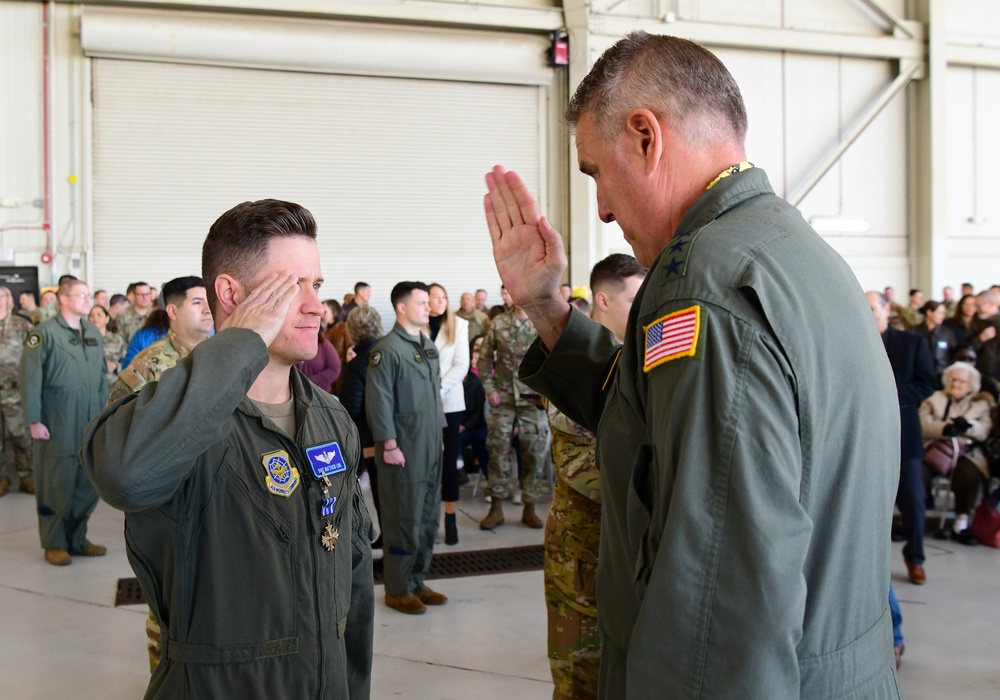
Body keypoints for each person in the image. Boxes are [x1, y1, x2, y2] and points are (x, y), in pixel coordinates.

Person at [484, 32, 901, 697]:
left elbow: (717, 607)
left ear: (647, 138)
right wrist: (547, 310)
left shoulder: (701, 283)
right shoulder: (791, 254)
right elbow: (657, 428)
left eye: (596, 171)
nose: (602, 208)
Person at [81, 199, 374, 699]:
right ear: (230, 293)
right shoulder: (180, 415)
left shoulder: (331, 418)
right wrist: (240, 343)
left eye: (317, 286)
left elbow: (354, 576)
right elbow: (123, 474)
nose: (314, 306)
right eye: (291, 286)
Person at [544, 253, 646, 700]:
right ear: (603, 300)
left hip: (619, 552)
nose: (646, 310)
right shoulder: (583, 368)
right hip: (583, 557)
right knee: (580, 680)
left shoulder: (631, 359)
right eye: (635, 300)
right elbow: (584, 471)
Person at [106, 275, 215, 673]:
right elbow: (116, 442)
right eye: (196, 302)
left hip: (215, 501)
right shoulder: (150, 365)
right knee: (168, 614)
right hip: (167, 511)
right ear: (172, 310)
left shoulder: (219, 360)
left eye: (209, 302)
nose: (207, 308)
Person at [365, 282, 447, 615]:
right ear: (402, 307)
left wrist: (439, 436)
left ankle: (416, 580)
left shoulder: (427, 345)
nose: (428, 307)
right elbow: (379, 400)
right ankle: (397, 589)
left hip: (430, 444)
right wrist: (389, 443)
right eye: (421, 302)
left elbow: (435, 395)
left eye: (429, 302)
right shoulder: (386, 350)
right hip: (402, 447)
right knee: (403, 518)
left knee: (428, 517)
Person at [20, 278, 107, 565]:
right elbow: (30, 380)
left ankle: (77, 538)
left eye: (88, 294)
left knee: (87, 483)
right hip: (57, 421)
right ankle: (54, 542)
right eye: (80, 295)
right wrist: (34, 419)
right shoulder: (43, 334)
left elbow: (102, 379)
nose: (87, 299)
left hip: (90, 418)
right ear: (64, 300)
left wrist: (106, 415)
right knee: (55, 483)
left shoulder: (93, 332)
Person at [868, 292, 935, 584]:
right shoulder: (855, 342)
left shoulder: (912, 343)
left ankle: (915, 559)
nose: (867, 313)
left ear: (887, 309)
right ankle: (868, 565)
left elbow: (927, 384)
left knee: (914, 501)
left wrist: (890, 395)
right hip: (867, 435)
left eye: (872, 308)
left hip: (904, 434)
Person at [477, 298, 548, 531]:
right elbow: (484, 359)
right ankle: (496, 507)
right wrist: (490, 389)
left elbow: (554, 359)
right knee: (497, 451)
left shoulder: (542, 321)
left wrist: (546, 391)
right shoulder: (498, 323)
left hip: (533, 399)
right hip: (504, 399)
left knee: (533, 452)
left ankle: (530, 506)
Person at [919, 361, 994, 543]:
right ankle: (912, 520)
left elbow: (984, 430)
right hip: (935, 449)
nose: (956, 384)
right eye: (953, 379)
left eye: (961, 381)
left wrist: (969, 427)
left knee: (968, 475)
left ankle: (961, 522)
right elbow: (922, 423)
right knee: (916, 475)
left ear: (971, 385)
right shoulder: (935, 398)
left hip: (967, 452)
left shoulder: (981, 404)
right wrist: (943, 428)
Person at [427, 283, 470, 545]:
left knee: (448, 463)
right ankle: (429, 519)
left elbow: (462, 365)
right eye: (435, 296)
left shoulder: (459, 325)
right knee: (428, 462)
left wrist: (437, 388)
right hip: (421, 406)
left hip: (449, 403)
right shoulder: (417, 325)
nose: (441, 300)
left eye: (444, 296)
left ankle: (451, 519)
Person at [339, 306, 386, 544]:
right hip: (402, 436)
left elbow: (350, 410)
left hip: (371, 439)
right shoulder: (389, 356)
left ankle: (388, 537)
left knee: (381, 492)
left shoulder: (357, 366)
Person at [0, 286, 34, 496]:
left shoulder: (21, 325)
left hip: (15, 391)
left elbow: (34, 357)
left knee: (19, 435)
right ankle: (1, 478)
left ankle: (26, 476)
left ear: (7, 300)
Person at [911, 300, 955, 382]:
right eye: (940, 313)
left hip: (942, 377)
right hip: (919, 377)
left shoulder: (947, 333)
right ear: (929, 313)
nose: (943, 316)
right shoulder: (914, 332)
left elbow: (953, 355)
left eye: (944, 313)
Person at [88, 304, 127, 390]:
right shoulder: (84, 340)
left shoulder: (117, 340)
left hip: (113, 387)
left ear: (107, 318)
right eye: (92, 315)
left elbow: (127, 361)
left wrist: (116, 366)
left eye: (99, 315)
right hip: (90, 387)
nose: (95, 318)